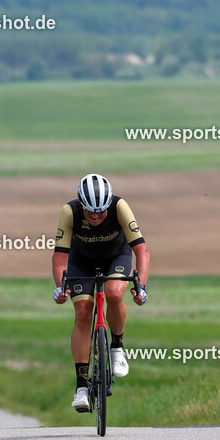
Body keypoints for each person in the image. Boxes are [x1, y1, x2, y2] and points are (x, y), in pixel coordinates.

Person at [52, 174, 149, 412]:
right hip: (81, 262)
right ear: (81, 205)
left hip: (116, 257)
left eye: (101, 213)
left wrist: (141, 286)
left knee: (114, 293)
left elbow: (142, 250)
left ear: (108, 206)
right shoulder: (70, 211)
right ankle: (81, 388)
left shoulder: (119, 206)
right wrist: (61, 287)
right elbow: (60, 256)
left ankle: (117, 348)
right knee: (83, 311)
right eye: (90, 213)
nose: (95, 217)